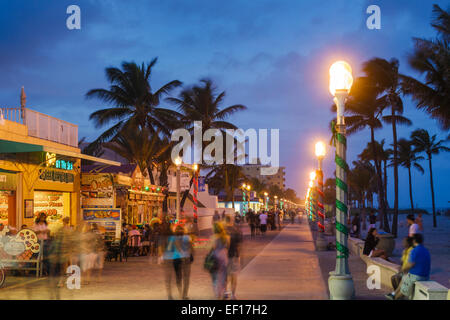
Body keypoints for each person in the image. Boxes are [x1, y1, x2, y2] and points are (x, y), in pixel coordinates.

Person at [392, 234, 431, 300]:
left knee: (401, 293)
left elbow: (410, 264)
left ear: (414, 240)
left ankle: (395, 297)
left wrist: (402, 270)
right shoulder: (426, 250)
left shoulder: (414, 250)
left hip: (415, 276)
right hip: (426, 276)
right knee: (403, 280)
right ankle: (393, 294)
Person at [210, 222, 230, 299]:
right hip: (224, 257)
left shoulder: (214, 237)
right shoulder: (227, 237)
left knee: (215, 276)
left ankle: (217, 294)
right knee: (224, 275)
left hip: (216, 257)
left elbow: (213, 247)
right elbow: (227, 246)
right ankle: (225, 292)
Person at [225, 216, 243, 300]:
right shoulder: (237, 230)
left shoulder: (222, 231)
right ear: (232, 220)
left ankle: (225, 291)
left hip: (224, 256)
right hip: (234, 255)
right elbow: (239, 245)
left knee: (225, 275)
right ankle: (233, 294)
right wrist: (238, 255)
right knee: (233, 275)